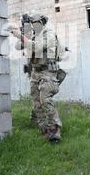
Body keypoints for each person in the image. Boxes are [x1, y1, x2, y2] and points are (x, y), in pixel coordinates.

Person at [8, 14, 67, 143]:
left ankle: (55, 130)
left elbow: (36, 47)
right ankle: (45, 130)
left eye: (33, 22)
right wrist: (24, 34)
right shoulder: (33, 35)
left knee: (45, 99)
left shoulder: (49, 34)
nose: (32, 25)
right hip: (35, 72)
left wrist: (20, 35)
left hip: (48, 72)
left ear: (40, 22)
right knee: (36, 102)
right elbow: (18, 47)